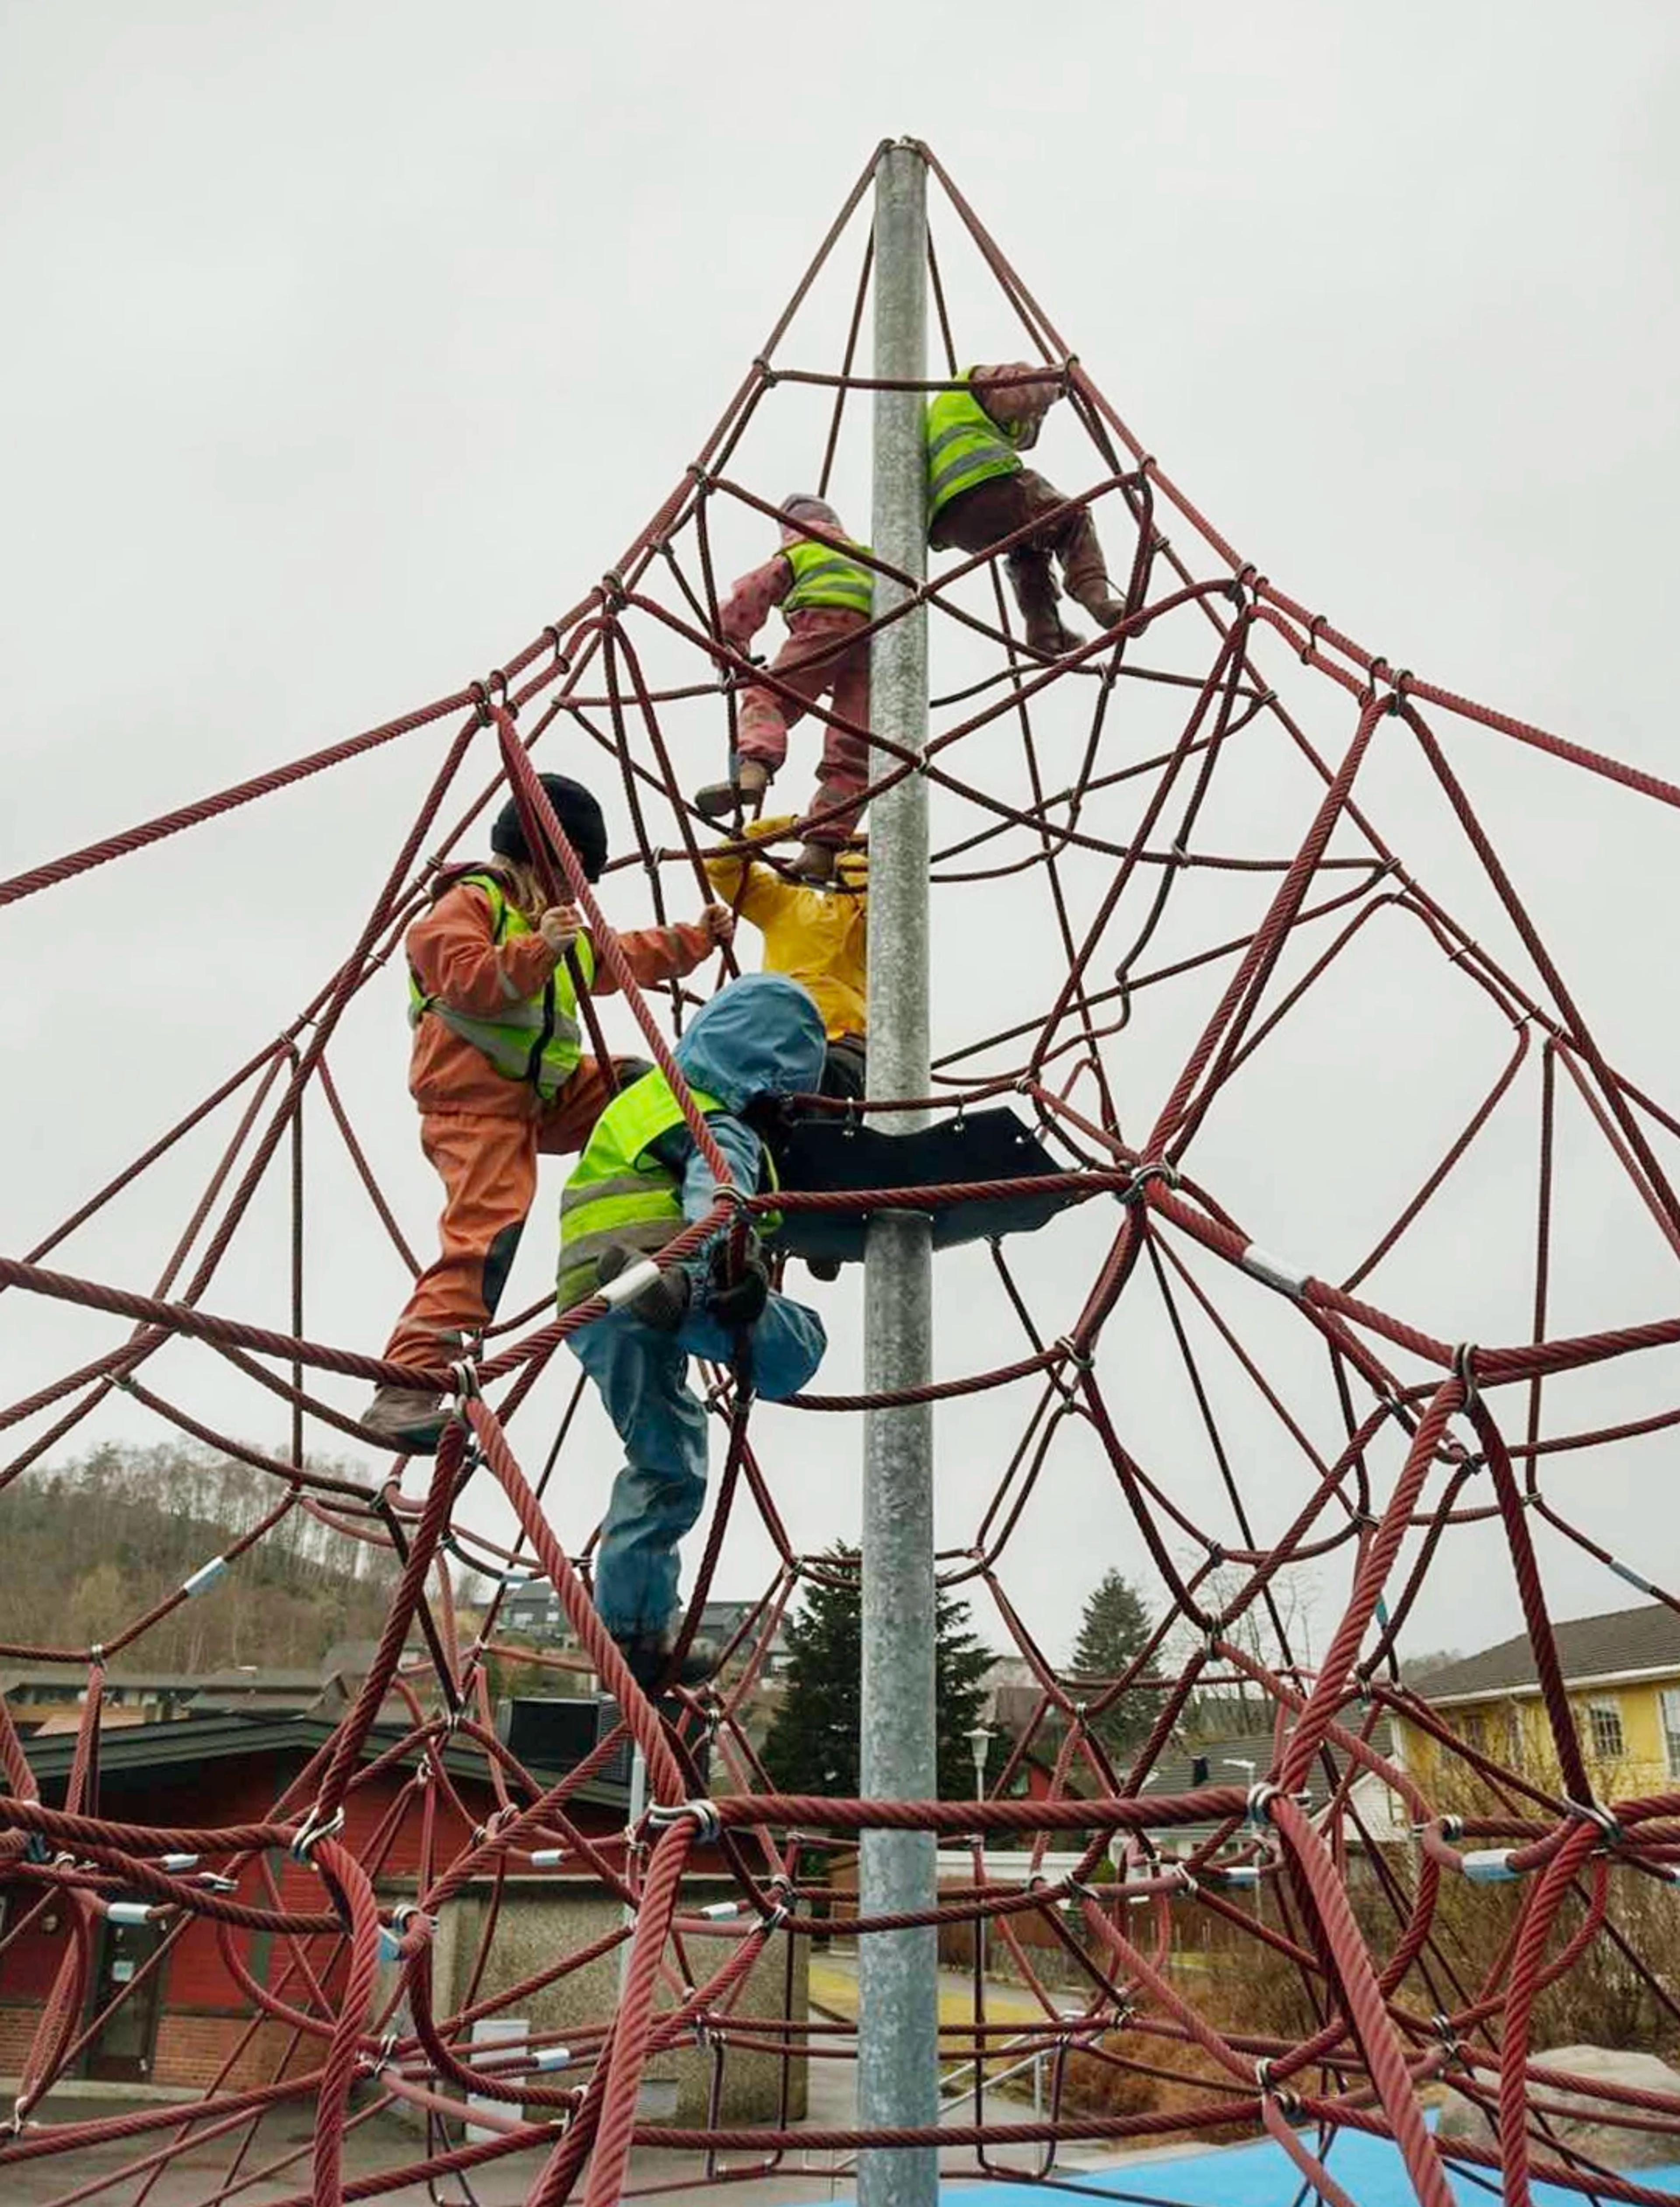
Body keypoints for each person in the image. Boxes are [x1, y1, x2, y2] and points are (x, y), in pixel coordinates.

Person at [364, 773, 735, 1450]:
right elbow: (467, 980)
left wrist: (697, 939)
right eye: (568, 878)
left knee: (638, 1087)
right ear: (535, 863)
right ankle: (407, 1383)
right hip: (476, 1107)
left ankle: (694, 1207)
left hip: (545, 1094)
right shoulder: (468, 905)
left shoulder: (552, 925)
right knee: (488, 1230)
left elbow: (623, 956)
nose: (572, 897)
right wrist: (542, 948)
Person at [556, 973, 828, 1691]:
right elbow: (719, 1192)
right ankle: (682, 1290)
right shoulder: (718, 1116)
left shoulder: (642, 1100)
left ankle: (634, 1636)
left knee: (663, 1458)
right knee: (802, 1344)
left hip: (586, 1296)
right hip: (672, 1266)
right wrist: (724, 1272)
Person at [693, 495, 874, 886]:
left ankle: (754, 770)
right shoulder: (869, 556)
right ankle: (823, 847)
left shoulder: (800, 550)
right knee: (853, 744)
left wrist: (730, 647)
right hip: (875, 640)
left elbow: (750, 598)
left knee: (766, 697)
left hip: (821, 624)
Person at [926, 363, 1129, 658]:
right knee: (1072, 519)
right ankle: (1098, 600)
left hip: (953, 523)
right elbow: (1020, 394)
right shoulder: (981, 385)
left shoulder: (947, 413)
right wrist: (1056, 384)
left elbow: (1024, 436)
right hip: (989, 487)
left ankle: (1045, 631)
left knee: (1027, 548)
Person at [702, 815, 867, 1102]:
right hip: (778, 1035)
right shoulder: (786, 902)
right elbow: (721, 866)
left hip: (841, 1043)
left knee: (829, 1094)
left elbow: (888, 914)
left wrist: (846, 857)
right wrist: (794, 827)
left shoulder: (870, 914)